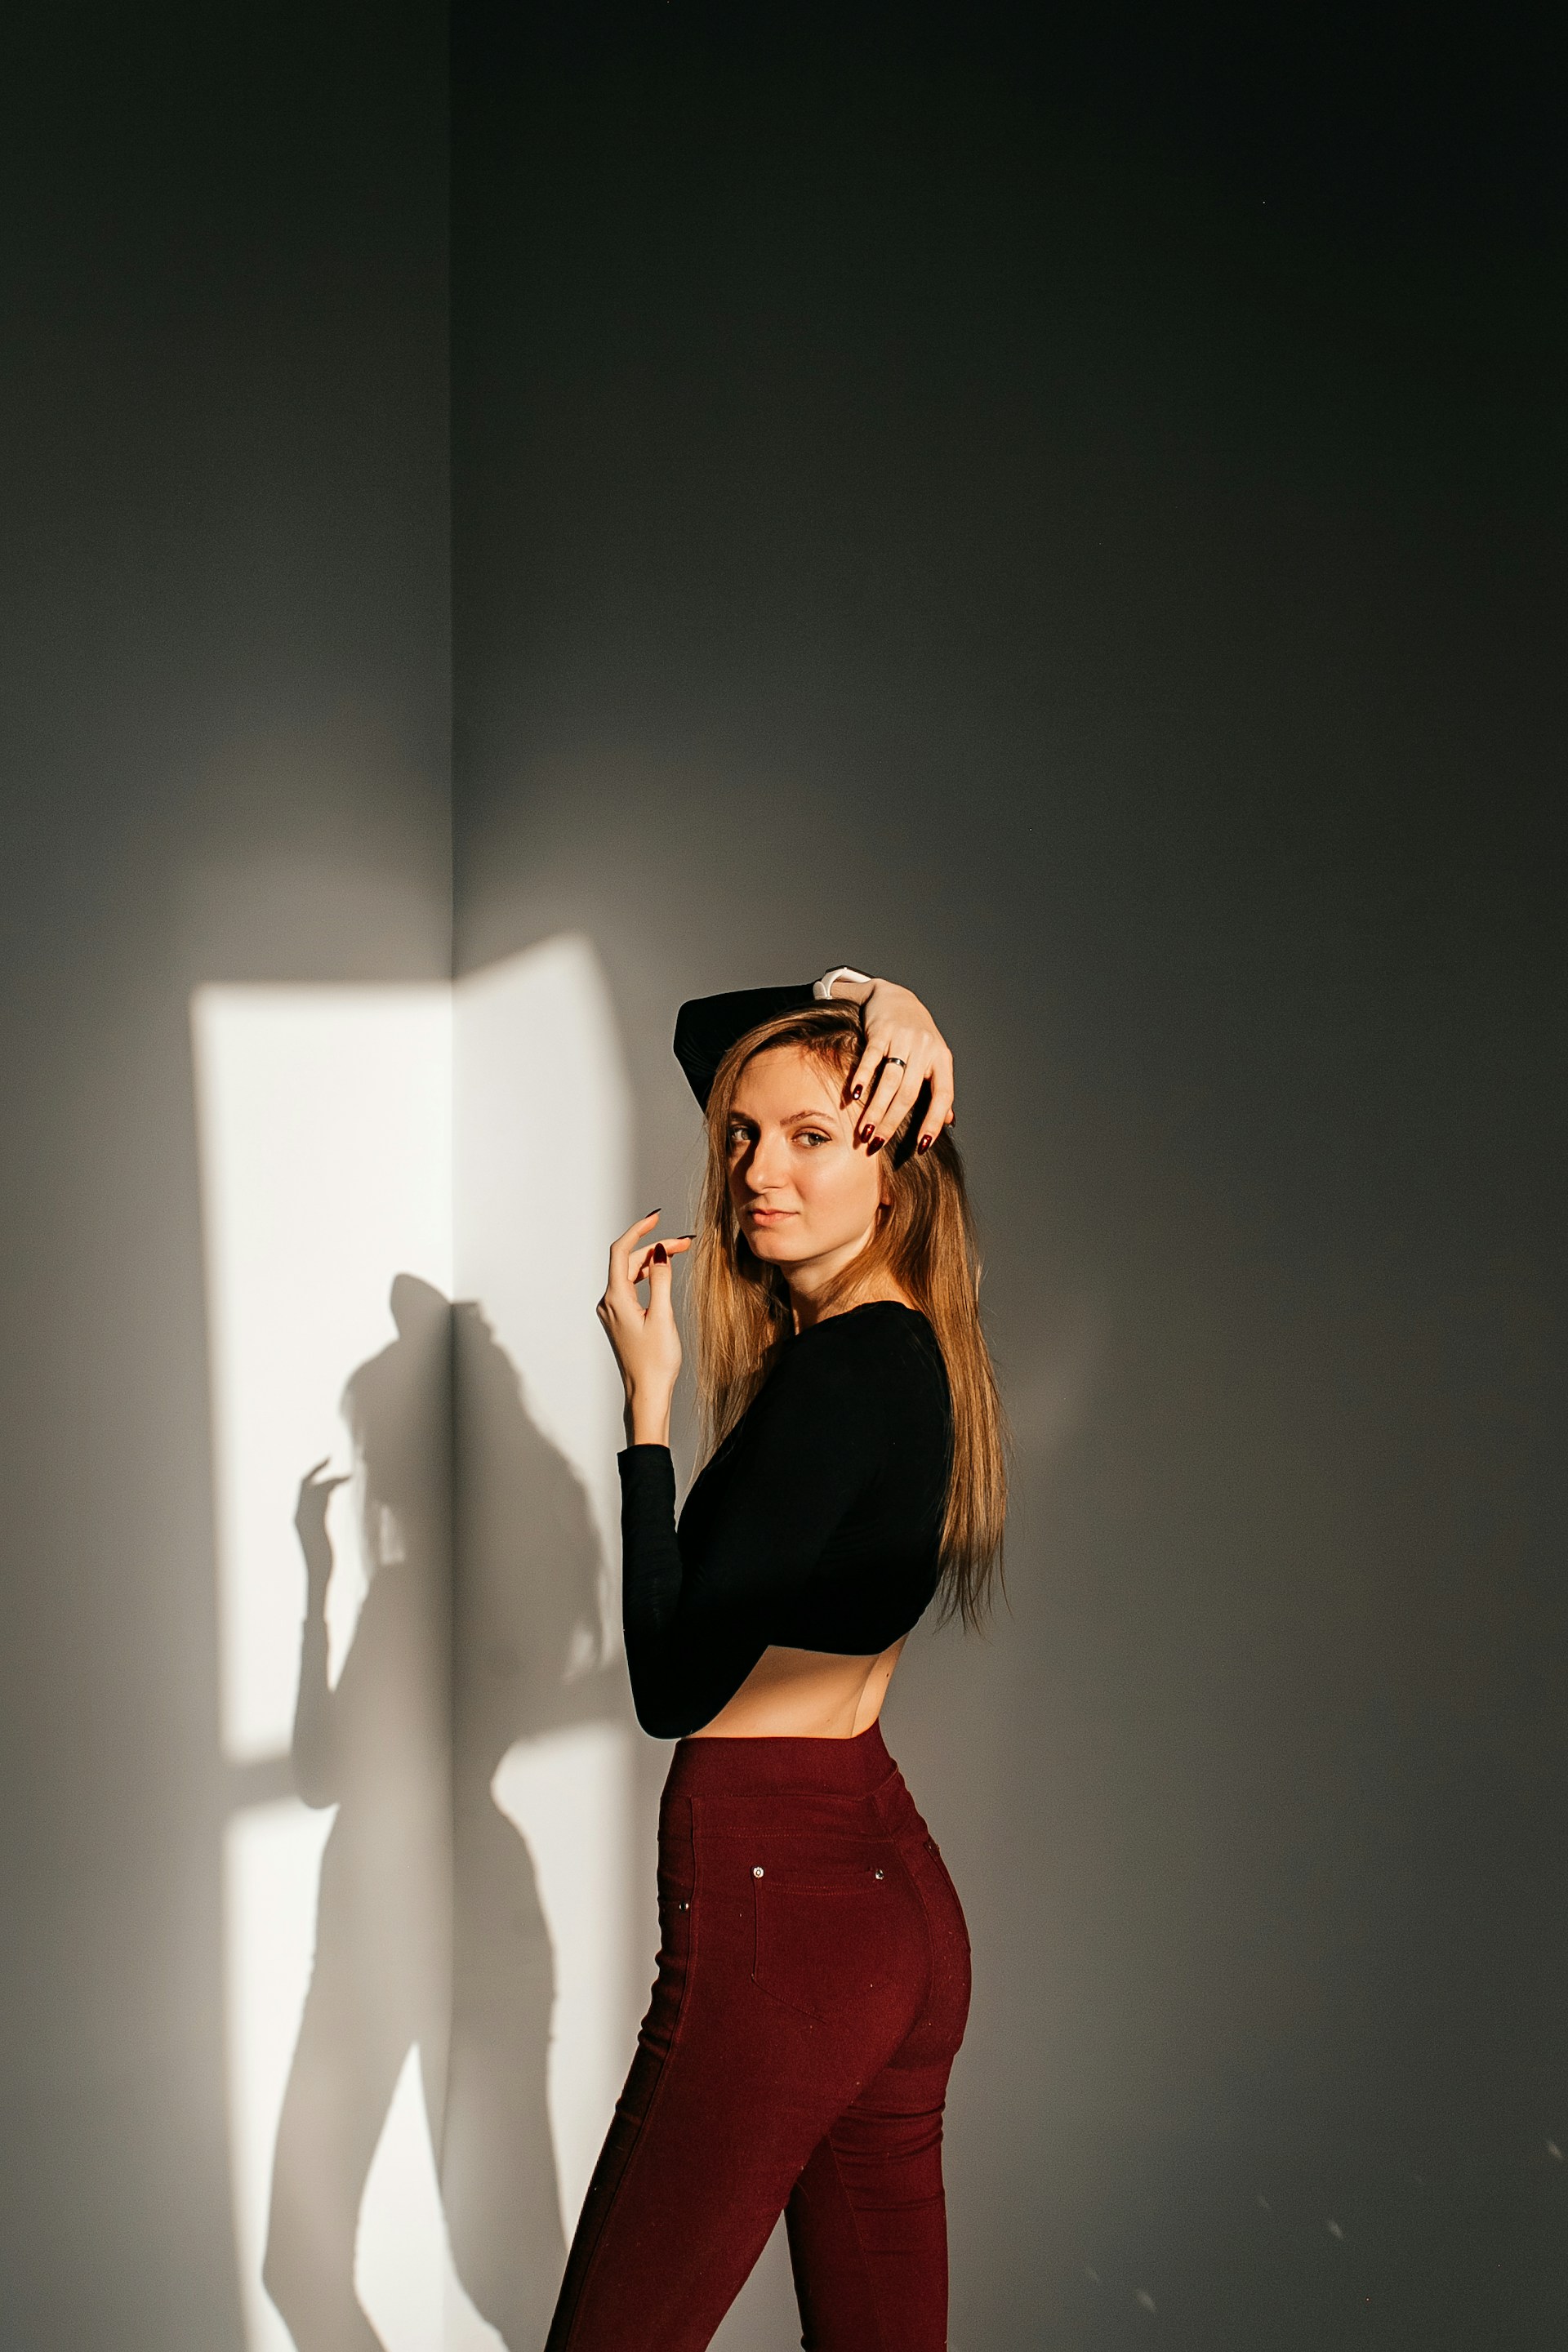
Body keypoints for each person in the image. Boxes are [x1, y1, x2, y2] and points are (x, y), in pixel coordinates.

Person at [544, 966, 1007, 2352]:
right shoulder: (911, 1356)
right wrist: (870, 997)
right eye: (744, 1135)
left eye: (813, 1136)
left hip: (782, 1909)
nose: (757, 1170)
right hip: (890, 1898)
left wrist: (645, 1412)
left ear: (896, 1158)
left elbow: (670, 1687)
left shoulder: (840, 1376)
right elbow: (708, 1032)